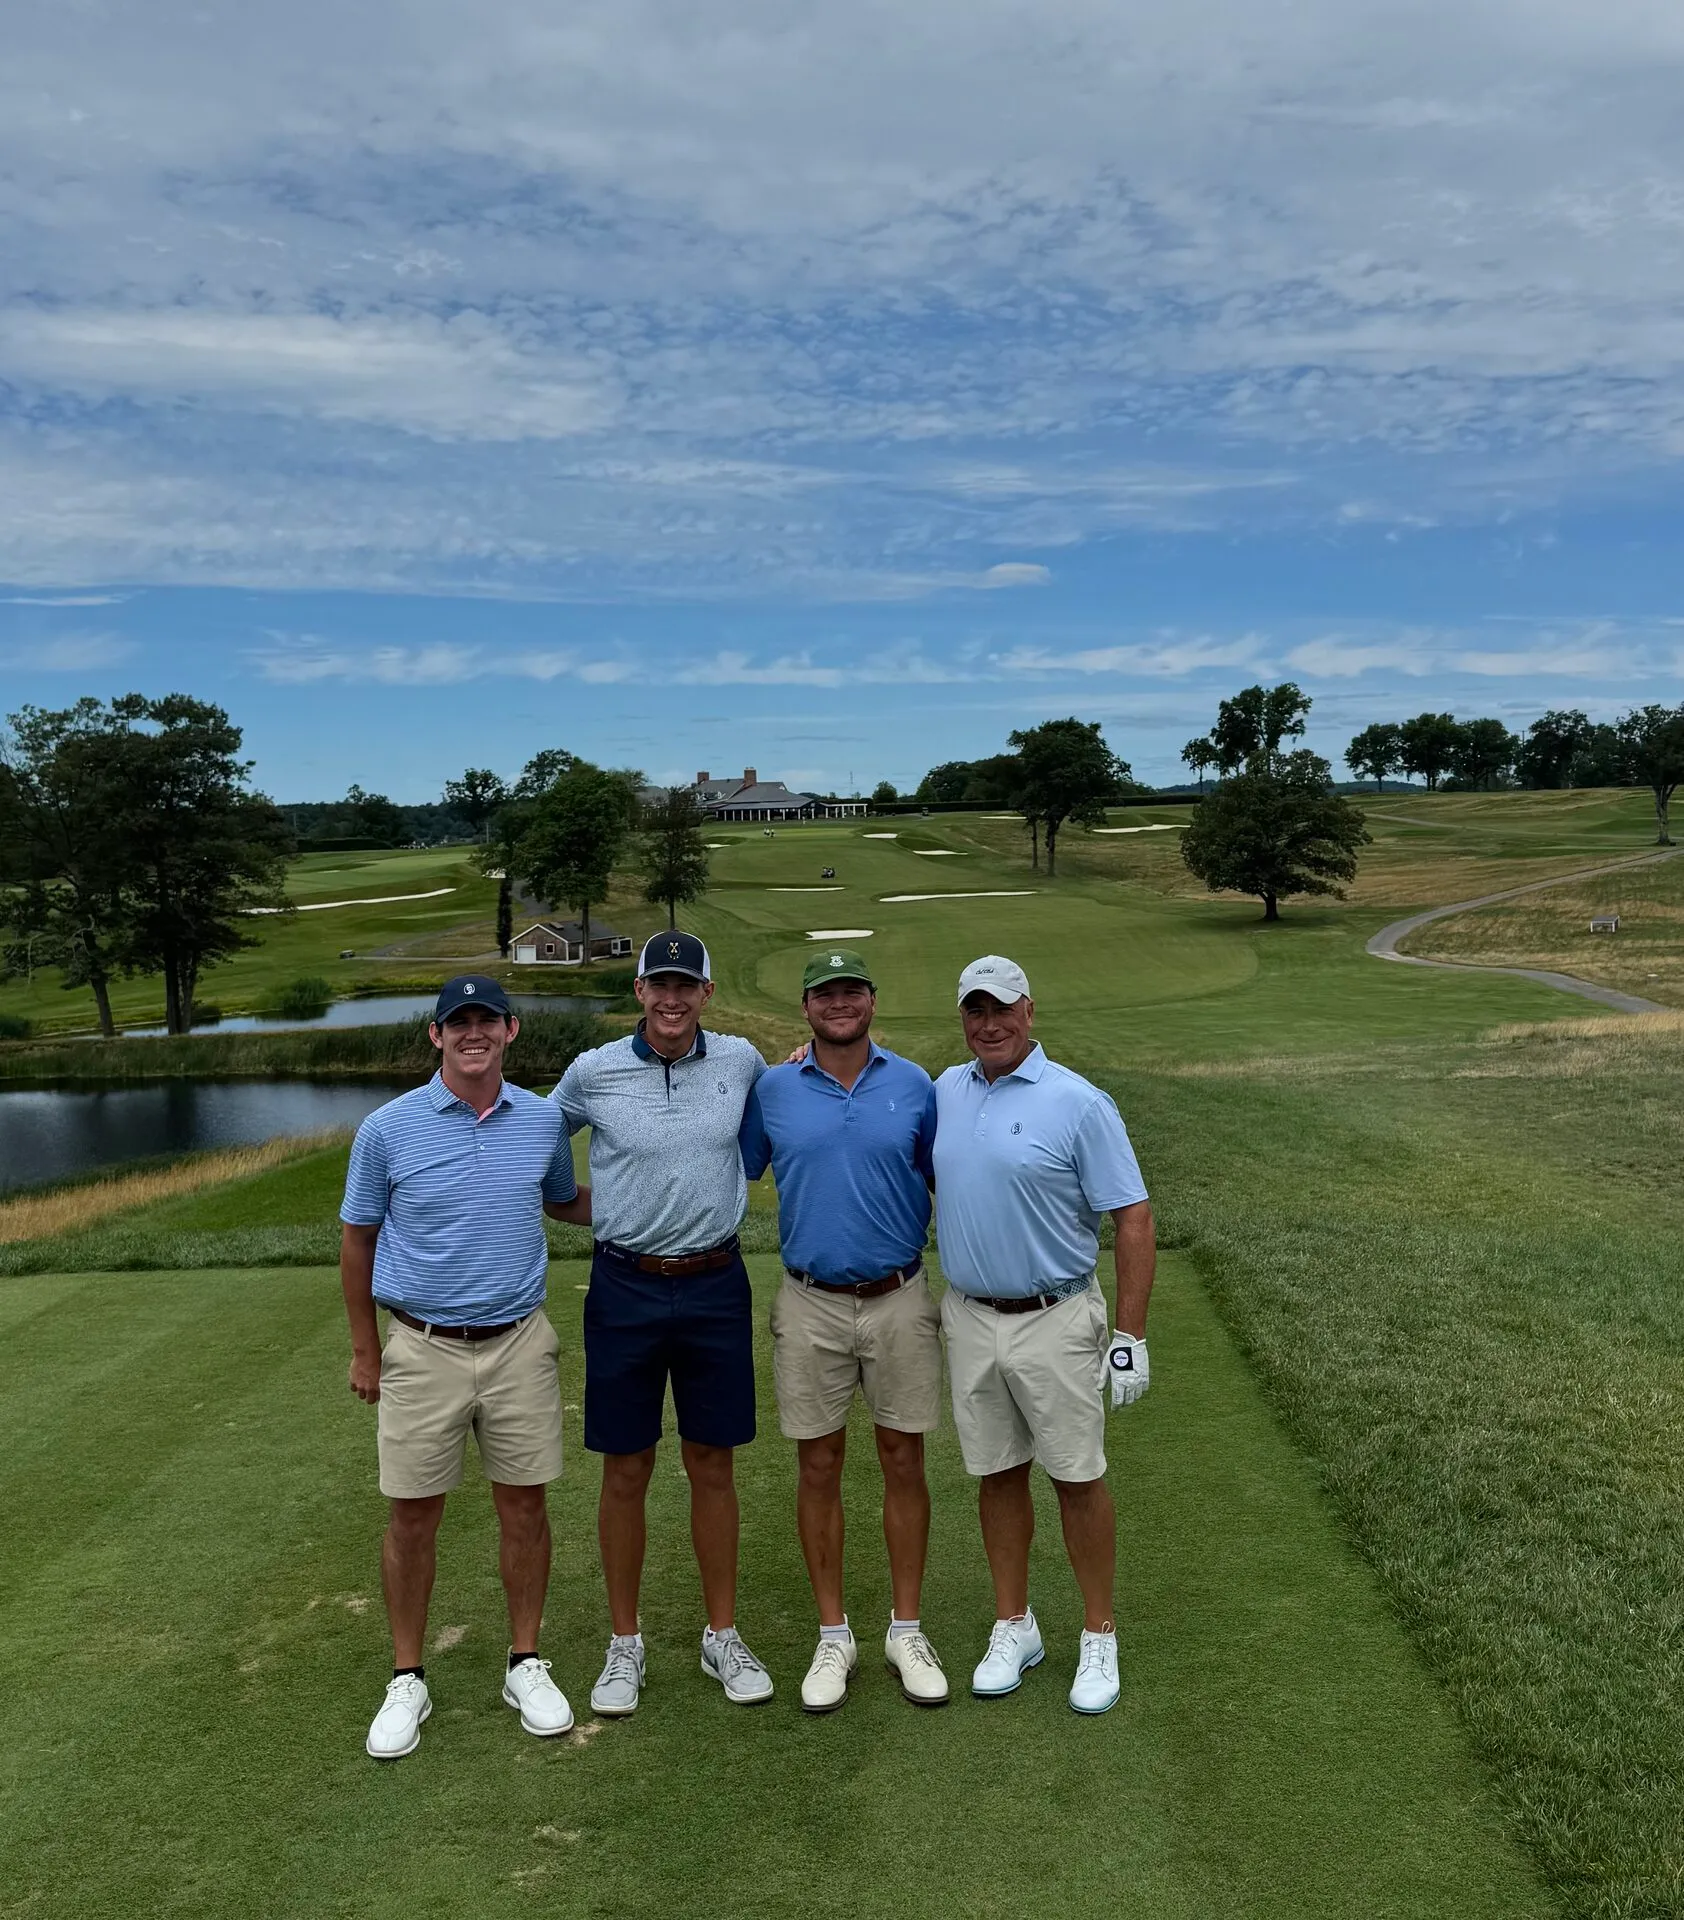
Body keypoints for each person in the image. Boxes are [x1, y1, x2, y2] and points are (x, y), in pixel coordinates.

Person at [340, 974, 592, 1762]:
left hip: (519, 1341)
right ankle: (407, 1675)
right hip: (421, 1345)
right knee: (413, 1515)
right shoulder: (387, 1129)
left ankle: (525, 1661)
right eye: (460, 1023)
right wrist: (365, 1349)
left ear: (512, 1032)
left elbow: (563, 1201)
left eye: (488, 1021)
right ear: (436, 1035)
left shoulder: (543, 1120)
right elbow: (359, 1241)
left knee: (525, 1508)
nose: (473, 1033)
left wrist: (668, 1190)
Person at [551, 932, 772, 1715]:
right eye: (659, 986)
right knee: (626, 1466)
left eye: (686, 986)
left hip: (715, 1284)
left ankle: (721, 1635)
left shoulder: (742, 1062)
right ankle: (624, 1645)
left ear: (706, 993)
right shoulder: (592, 1071)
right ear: (638, 992)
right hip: (624, 1287)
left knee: (713, 1463)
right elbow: (542, 1147)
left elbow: (763, 1144)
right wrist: (591, 1207)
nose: (672, 1000)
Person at [932, 955, 1154, 1716]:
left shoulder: (1079, 1102)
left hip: (1055, 1315)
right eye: (974, 1011)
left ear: (1030, 1011)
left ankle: (1099, 1633)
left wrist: (1131, 1335)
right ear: (962, 1018)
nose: (988, 1025)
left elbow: (1132, 1218)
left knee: (1076, 1476)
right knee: (996, 1472)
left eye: (1002, 1010)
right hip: (968, 1314)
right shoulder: (945, 1091)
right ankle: (1014, 1624)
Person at [740, 948, 949, 1713]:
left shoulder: (915, 1085)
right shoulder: (773, 1088)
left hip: (898, 1292)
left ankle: (906, 1628)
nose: (839, 1004)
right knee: (819, 1464)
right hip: (810, 1298)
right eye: (825, 994)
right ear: (805, 1007)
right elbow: (746, 1164)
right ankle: (834, 1634)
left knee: (903, 1455)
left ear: (871, 1000)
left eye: (852, 991)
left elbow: (941, 1171)